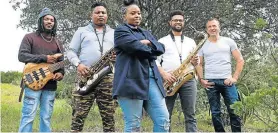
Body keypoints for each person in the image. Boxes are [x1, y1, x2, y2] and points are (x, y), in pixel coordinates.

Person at [112, 0, 170, 132]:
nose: (137, 15)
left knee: (163, 120)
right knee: (133, 125)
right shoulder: (121, 31)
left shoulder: (146, 33)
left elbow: (161, 48)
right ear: (124, 16)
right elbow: (136, 48)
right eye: (133, 13)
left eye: (139, 13)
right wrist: (151, 48)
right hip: (131, 81)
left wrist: (147, 42)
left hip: (152, 80)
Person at [66, 2, 116, 132]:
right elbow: (71, 51)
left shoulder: (114, 33)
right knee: (78, 115)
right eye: (97, 12)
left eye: (103, 13)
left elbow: (120, 53)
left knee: (109, 117)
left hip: (108, 78)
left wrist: (118, 58)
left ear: (107, 15)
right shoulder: (81, 31)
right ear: (91, 15)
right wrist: (79, 64)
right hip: (85, 76)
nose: (100, 15)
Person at [18, 8, 64, 132]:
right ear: (40, 21)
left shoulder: (57, 42)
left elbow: (61, 64)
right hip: (32, 83)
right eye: (46, 19)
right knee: (28, 117)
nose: (49, 22)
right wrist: (44, 58)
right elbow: (22, 56)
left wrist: (60, 73)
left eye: (52, 20)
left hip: (50, 85)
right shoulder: (29, 37)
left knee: (46, 118)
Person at [196, 18, 244, 132]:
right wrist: (201, 79)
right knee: (215, 112)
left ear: (219, 27)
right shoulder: (202, 44)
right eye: (209, 27)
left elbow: (240, 60)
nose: (212, 28)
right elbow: (199, 64)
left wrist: (234, 77)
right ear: (207, 30)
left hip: (227, 81)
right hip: (210, 81)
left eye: (214, 26)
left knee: (234, 109)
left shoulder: (228, 41)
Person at [156, 10, 198, 132]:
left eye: (180, 20)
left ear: (183, 22)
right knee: (166, 114)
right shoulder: (162, 41)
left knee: (190, 114)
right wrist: (164, 74)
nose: (178, 22)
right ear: (170, 22)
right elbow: (155, 61)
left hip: (188, 80)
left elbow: (197, 62)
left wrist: (196, 62)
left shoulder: (191, 41)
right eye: (175, 20)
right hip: (169, 80)